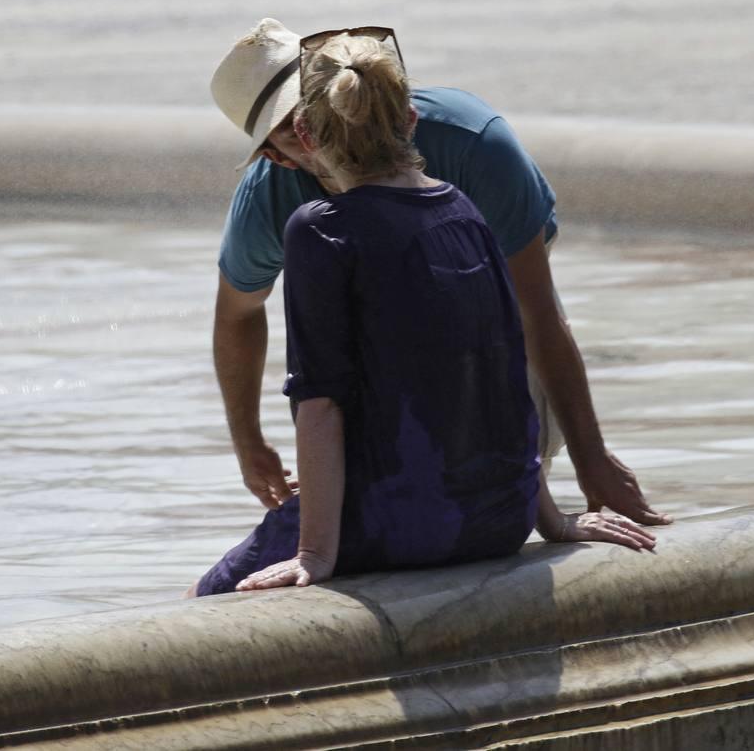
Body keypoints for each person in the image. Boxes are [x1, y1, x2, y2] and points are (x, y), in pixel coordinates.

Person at [194, 30, 655, 596]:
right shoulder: (464, 206)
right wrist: (552, 520)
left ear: (311, 130)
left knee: (201, 604)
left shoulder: (323, 225)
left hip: (385, 508)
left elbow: (322, 406)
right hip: (500, 513)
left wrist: (315, 552)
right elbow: (505, 369)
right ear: (405, 114)